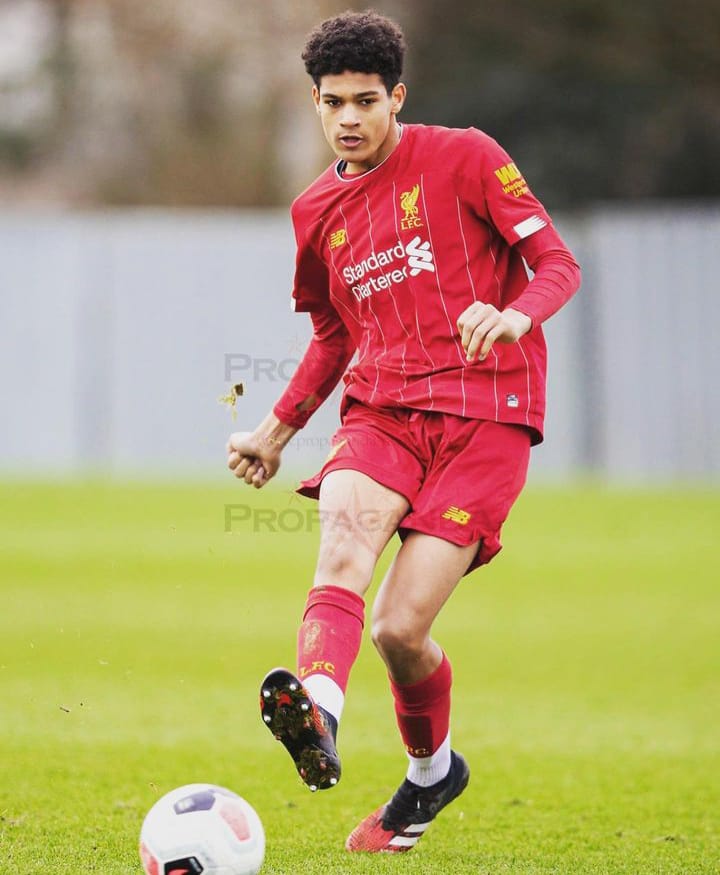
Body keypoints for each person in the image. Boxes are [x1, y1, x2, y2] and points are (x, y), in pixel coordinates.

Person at [226, 9, 581, 854]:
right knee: (342, 547)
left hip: (487, 416)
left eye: (365, 100)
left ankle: (431, 777)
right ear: (315, 103)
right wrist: (275, 432)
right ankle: (321, 711)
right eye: (331, 101)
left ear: (398, 97)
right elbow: (332, 337)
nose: (348, 117)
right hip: (382, 410)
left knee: (398, 629)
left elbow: (558, 263)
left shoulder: (466, 155)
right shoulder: (314, 212)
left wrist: (514, 313)